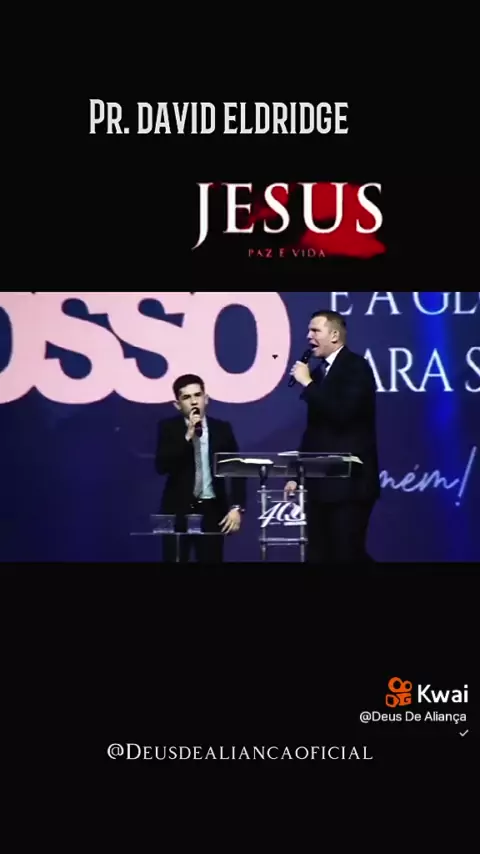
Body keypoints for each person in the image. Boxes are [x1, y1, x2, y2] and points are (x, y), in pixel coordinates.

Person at [285, 309, 380, 563]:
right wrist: (297, 474)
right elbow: (315, 431)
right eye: (309, 331)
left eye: (315, 331)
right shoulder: (320, 373)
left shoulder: (356, 367)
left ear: (335, 335)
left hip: (349, 487)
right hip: (320, 487)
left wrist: (308, 384)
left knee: (346, 555)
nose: (308, 336)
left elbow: (343, 413)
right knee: (318, 555)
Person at [155, 374, 246, 562]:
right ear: (177, 404)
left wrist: (237, 507)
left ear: (206, 399)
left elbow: (236, 469)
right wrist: (187, 437)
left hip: (212, 510)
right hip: (178, 510)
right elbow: (162, 466)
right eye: (186, 397)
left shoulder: (222, 429)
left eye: (197, 395)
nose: (194, 401)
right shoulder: (169, 429)